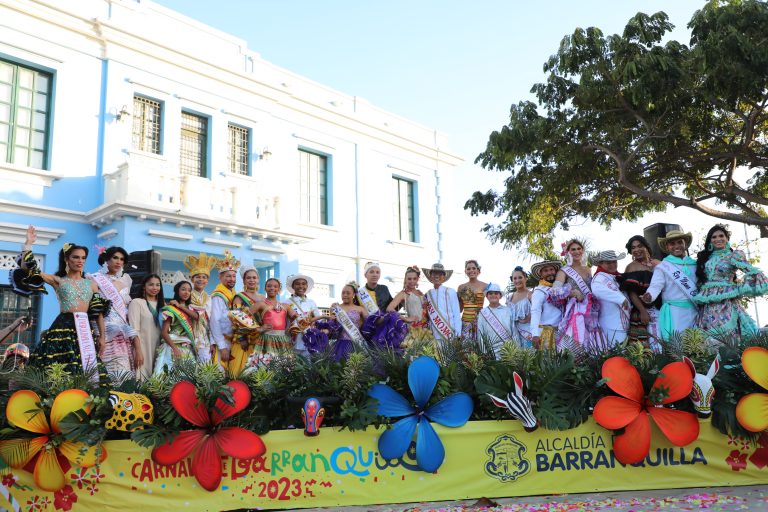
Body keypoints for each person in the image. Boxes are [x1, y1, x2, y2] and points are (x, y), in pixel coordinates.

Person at [14, 226, 109, 375]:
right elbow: (29, 270)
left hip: (84, 329)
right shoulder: (58, 280)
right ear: (66, 259)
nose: (80, 261)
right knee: (58, 367)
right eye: (76, 257)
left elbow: (98, 313)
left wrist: (102, 337)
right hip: (63, 326)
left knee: (88, 369)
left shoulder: (91, 284)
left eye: (83, 257)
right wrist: (28, 243)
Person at [693, 225, 768, 339]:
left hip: (726, 303)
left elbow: (751, 271)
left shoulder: (734, 255)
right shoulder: (704, 258)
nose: (718, 239)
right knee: (709, 338)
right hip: (707, 307)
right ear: (710, 240)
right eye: (714, 237)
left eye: (721, 236)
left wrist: (741, 287)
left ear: (727, 238)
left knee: (729, 336)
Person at [89, 246, 143, 380]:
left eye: (122, 259)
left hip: (122, 334)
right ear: (106, 259)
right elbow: (95, 307)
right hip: (104, 332)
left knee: (123, 373)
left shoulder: (126, 281)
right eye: (115, 258)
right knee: (106, 372)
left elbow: (126, 309)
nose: (118, 262)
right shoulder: (94, 278)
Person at [642, 230, 698, 340]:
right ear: (667, 247)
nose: (676, 246)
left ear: (685, 244)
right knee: (678, 345)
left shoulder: (695, 264)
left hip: (695, 310)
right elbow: (655, 286)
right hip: (675, 313)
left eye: (679, 242)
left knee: (698, 344)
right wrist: (649, 295)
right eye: (672, 243)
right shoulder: (663, 267)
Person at [550, 239, 603, 352]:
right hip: (575, 309)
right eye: (573, 249)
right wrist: (571, 292)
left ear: (583, 251)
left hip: (591, 310)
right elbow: (554, 291)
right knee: (576, 339)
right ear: (568, 252)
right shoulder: (563, 271)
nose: (576, 251)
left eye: (579, 249)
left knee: (593, 341)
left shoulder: (588, 269)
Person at [620, 235, 662, 351]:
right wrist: (643, 311)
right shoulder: (631, 267)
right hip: (644, 311)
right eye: (633, 248)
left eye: (640, 246)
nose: (636, 250)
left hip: (662, 309)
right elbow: (631, 292)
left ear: (646, 247)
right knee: (651, 343)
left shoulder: (657, 263)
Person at [154, 280, 197, 374]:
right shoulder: (171, 309)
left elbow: (197, 317)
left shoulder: (189, 308)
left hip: (186, 348)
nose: (186, 292)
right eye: (183, 289)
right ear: (177, 291)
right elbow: (164, 332)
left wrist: (180, 307)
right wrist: (174, 348)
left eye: (189, 290)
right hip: (173, 346)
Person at [229, 264, 265, 372]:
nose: (251, 280)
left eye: (254, 277)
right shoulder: (239, 297)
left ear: (258, 279)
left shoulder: (263, 298)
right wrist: (241, 338)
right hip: (244, 341)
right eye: (248, 278)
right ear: (244, 281)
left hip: (260, 340)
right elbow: (236, 319)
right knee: (241, 371)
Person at [128, 273, 164, 379]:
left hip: (160, 348)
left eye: (158, 285)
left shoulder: (164, 306)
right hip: (143, 347)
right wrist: (138, 351)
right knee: (142, 379)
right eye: (151, 284)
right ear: (144, 286)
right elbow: (134, 329)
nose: (155, 288)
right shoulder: (137, 302)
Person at [248, 278, 297, 354]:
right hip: (266, 340)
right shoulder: (260, 304)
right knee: (266, 364)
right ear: (265, 288)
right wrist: (259, 329)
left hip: (283, 341)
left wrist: (291, 328)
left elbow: (299, 319)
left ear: (279, 289)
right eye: (269, 286)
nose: (272, 288)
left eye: (275, 286)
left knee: (283, 364)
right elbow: (243, 316)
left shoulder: (286, 306)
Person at [591, 250, 631, 346]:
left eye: (614, 262)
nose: (612, 264)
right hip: (611, 324)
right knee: (617, 354)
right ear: (601, 263)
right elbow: (598, 290)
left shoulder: (616, 276)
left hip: (622, 323)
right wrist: (620, 299)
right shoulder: (599, 277)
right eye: (608, 262)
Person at [183, 252, 217, 364]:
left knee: (205, 369)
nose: (201, 279)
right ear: (192, 279)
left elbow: (211, 320)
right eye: (198, 277)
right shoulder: (187, 295)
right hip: (187, 335)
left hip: (204, 339)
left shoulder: (209, 298)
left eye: (204, 277)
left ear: (207, 281)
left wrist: (213, 342)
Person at [387, 266, 431, 348]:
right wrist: (405, 318)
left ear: (417, 279)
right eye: (409, 279)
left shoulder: (420, 293)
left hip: (426, 328)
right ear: (405, 279)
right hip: (414, 329)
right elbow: (389, 308)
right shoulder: (403, 294)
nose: (412, 281)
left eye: (414, 279)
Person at [210, 250, 240, 366]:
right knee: (220, 375)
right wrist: (222, 347)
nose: (232, 279)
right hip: (222, 342)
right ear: (220, 277)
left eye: (233, 276)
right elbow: (215, 322)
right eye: (228, 276)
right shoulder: (218, 296)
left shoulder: (234, 294)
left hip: (233, 341)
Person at [528, 260, 563, 350]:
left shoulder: (561, 289)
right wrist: (535, 334)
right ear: (541, 274)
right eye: (545, 271)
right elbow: (535, 312)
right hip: (546, 334)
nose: (549, 273)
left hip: (562, 332)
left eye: (551, 269)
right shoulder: (539, 291)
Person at [286, 273, 323, 358]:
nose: (300, 286)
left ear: (307, 286)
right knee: (291, 367)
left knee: (307, 366)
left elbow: (318, 320)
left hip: (308, 339)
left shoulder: (312, 302)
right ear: (293, 286)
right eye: (297, 284)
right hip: (292, 340)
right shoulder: (286, 302)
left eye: (303, 284)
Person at [422, 263, 461, 341]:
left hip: (449, 333)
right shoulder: (428, 294)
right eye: (434, 273)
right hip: (433, 334)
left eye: (440, 274)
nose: (437, 276)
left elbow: (456, 314)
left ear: (444, 277)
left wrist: (458, 334)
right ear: (430, 277)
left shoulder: (451, 291)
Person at [330, 283, 369, 360]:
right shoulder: (336, 308)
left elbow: (369, 323)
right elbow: (331, 324)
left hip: (356, 342)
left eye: (348, 293)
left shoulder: (361, 309)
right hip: (340, 343)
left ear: (354, 294)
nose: (345, 295)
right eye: (343, 293)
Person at [477, 283, 515, 357]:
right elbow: (480, 333)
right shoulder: (483, 312)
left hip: (508, 349)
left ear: (500, 296)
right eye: (490, 293)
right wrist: (484, 352)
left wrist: (516, 349)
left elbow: (513, 330)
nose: (493, 295)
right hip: (490, 350)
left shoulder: (508, 310)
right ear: (487, 296)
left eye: (496, 293)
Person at [457, 260, 488, 339]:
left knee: (481, 348)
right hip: (465, 323)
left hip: (480, 322)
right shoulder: (461, 287)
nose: (471, 270)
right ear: (465, 271)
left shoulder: (486, 286)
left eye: (474, 268)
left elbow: (493, 303)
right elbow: (459, 309)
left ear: (478, 270)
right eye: (468, 269)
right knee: (466, 348)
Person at [505, 266, 532, 346]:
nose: (517, 280)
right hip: (513, 335)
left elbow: (540, 311)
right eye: (515, 278)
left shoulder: (531, 295)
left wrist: (530, 316)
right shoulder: (509, 297)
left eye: (520, 277)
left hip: (528, 334)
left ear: (526, 278)